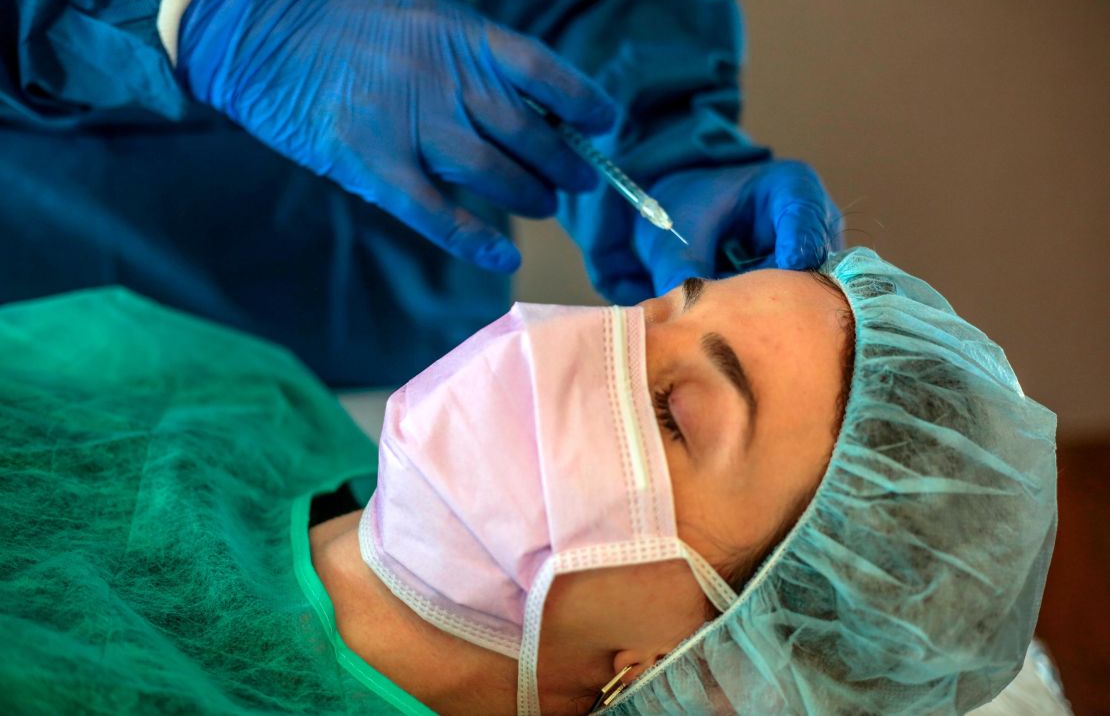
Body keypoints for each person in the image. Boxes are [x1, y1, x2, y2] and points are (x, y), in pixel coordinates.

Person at [0, 247, 1056, 714]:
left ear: (714, 667)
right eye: (655, 312)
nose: (575, 351)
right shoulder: (238, 395)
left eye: (673, 411)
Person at [0, 0, 839, 388]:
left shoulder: (426, 395)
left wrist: (655, 133)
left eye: (677, 413)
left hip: (359, 276)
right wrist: (186, 4)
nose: (620, 344)